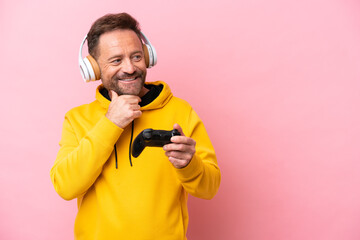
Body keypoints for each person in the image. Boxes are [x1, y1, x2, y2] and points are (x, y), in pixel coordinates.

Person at [50, 12, 221, 240]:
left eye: (137, 57)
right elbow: (65, 186)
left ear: (148, 57)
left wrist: (189, 164)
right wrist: (110, 124)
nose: (130, 68)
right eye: (116, 60)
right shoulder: (77, 119)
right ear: (94, 67)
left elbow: (209, 189)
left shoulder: (181, 112)